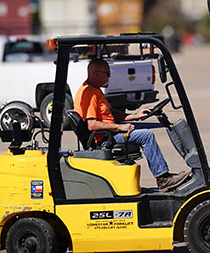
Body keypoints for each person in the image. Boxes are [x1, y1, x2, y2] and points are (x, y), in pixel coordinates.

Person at [74, 58, 188, 192]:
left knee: (141, 129)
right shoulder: (89, 93)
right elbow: (92, 125)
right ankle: (163, 178)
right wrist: (119, 127)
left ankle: (163, 176)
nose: (109, 77)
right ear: (96, 73)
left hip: (109, 133)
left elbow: (112, 113)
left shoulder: (95, 89)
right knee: (147, 136)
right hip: (104, 139)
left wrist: (135, 116)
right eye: (107, 74)